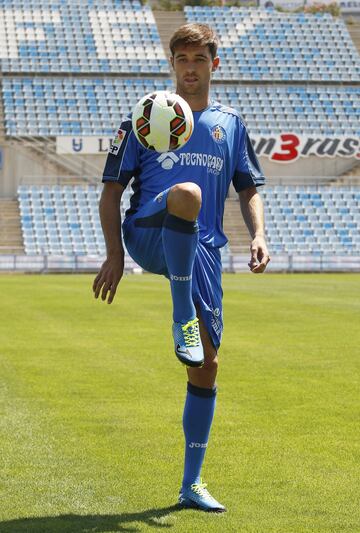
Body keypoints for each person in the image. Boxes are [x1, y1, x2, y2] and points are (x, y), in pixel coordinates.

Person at [93, 23, 270, 513]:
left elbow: (248, 187)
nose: (190, 69)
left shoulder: (230, 124)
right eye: (181, 60)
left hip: (203, 249)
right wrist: (114, 254)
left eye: (199, 60)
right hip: (149, 233)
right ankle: (180, 317)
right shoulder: (144, 118)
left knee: (206, 366)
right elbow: (111, 190)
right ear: (171, 64)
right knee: (186, 193)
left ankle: (191, 485)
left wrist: (258, 234)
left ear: (214, 64)